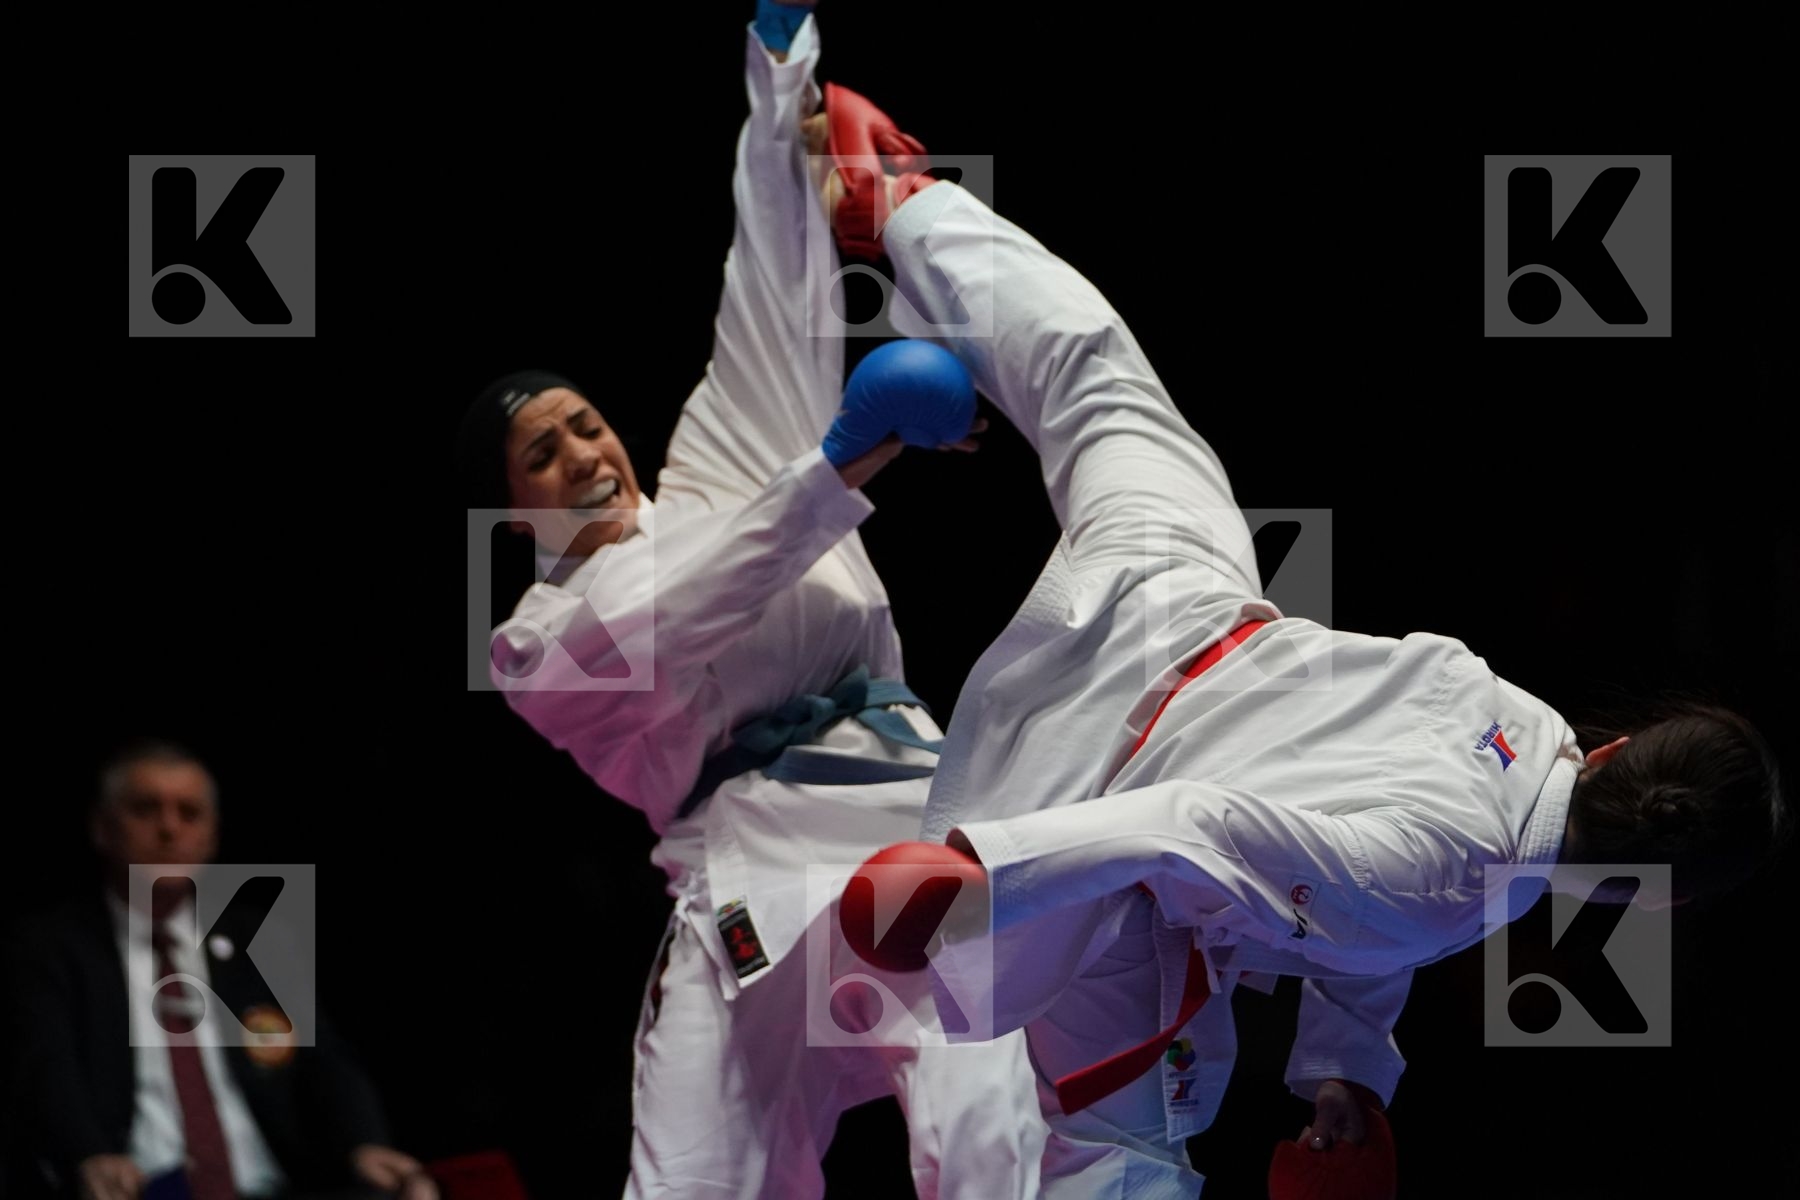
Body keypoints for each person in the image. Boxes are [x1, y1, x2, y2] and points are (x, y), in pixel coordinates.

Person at [824, 167, 1792, 1196]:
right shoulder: (1448, 886)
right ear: (1661, 907)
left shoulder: (1532, 736)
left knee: (1102, 388)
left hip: (1171, 601)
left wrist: (1349, 1073)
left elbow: (1376, 890)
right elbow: (1205, 826)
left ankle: (902, 200)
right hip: (1092, 787)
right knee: (1129, 1142)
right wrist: (988, 872)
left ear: (1611, 751)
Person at [459, 4, 1043, 1197]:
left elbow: (770, 289)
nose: (582, 451)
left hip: (909, 818)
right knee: (693, 1178)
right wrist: (833, 469)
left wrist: (785, 88)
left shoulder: (721, 474)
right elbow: (670, 623)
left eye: (583, 421)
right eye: (542, 453)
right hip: (746, 879)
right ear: (513, 513)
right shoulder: (530, 648)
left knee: (992, 1117)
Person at [7, 739, 436, 1200]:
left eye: (189, 813)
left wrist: (362, 1142)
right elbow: (45, 1070)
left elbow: (323, 1059)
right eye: (145, 809)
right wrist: (86, 1154)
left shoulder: (259, 938)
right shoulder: (49, 946)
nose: (169, 828)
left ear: (210, 836)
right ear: (101, 828)